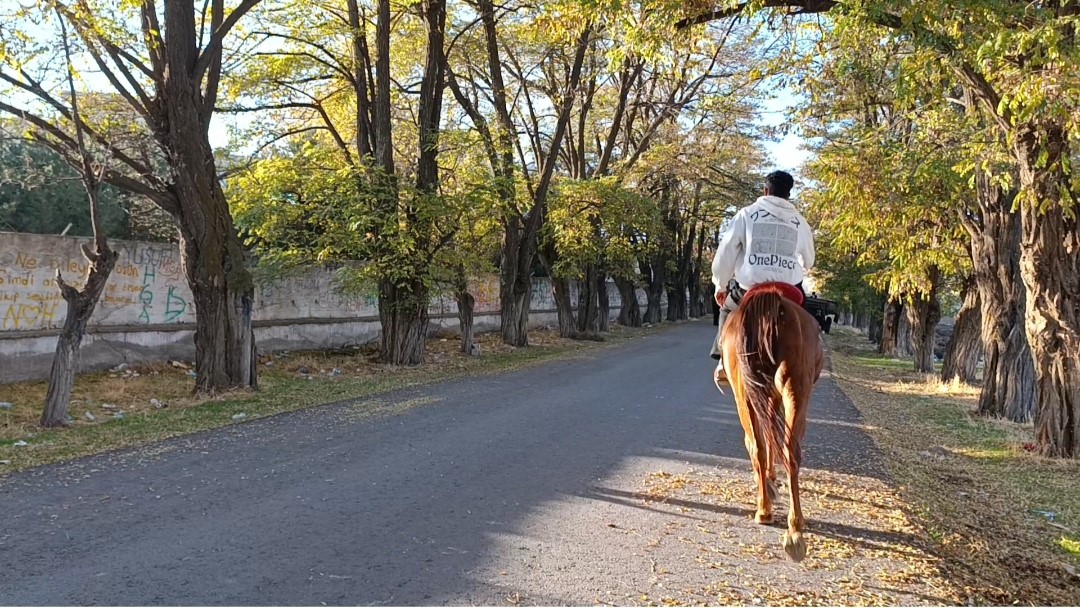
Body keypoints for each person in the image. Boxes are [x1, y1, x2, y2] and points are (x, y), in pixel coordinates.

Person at [709, 170, 815, 388]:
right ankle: (809, 360)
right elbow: (809, 261)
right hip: (789, 289)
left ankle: (722, 361)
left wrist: (721, 285)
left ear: (766, 191)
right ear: (788, 194)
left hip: (750, 288)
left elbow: (726, 253)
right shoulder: (800, 222)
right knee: (809, 322)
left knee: (727, 310)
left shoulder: (746, 214)